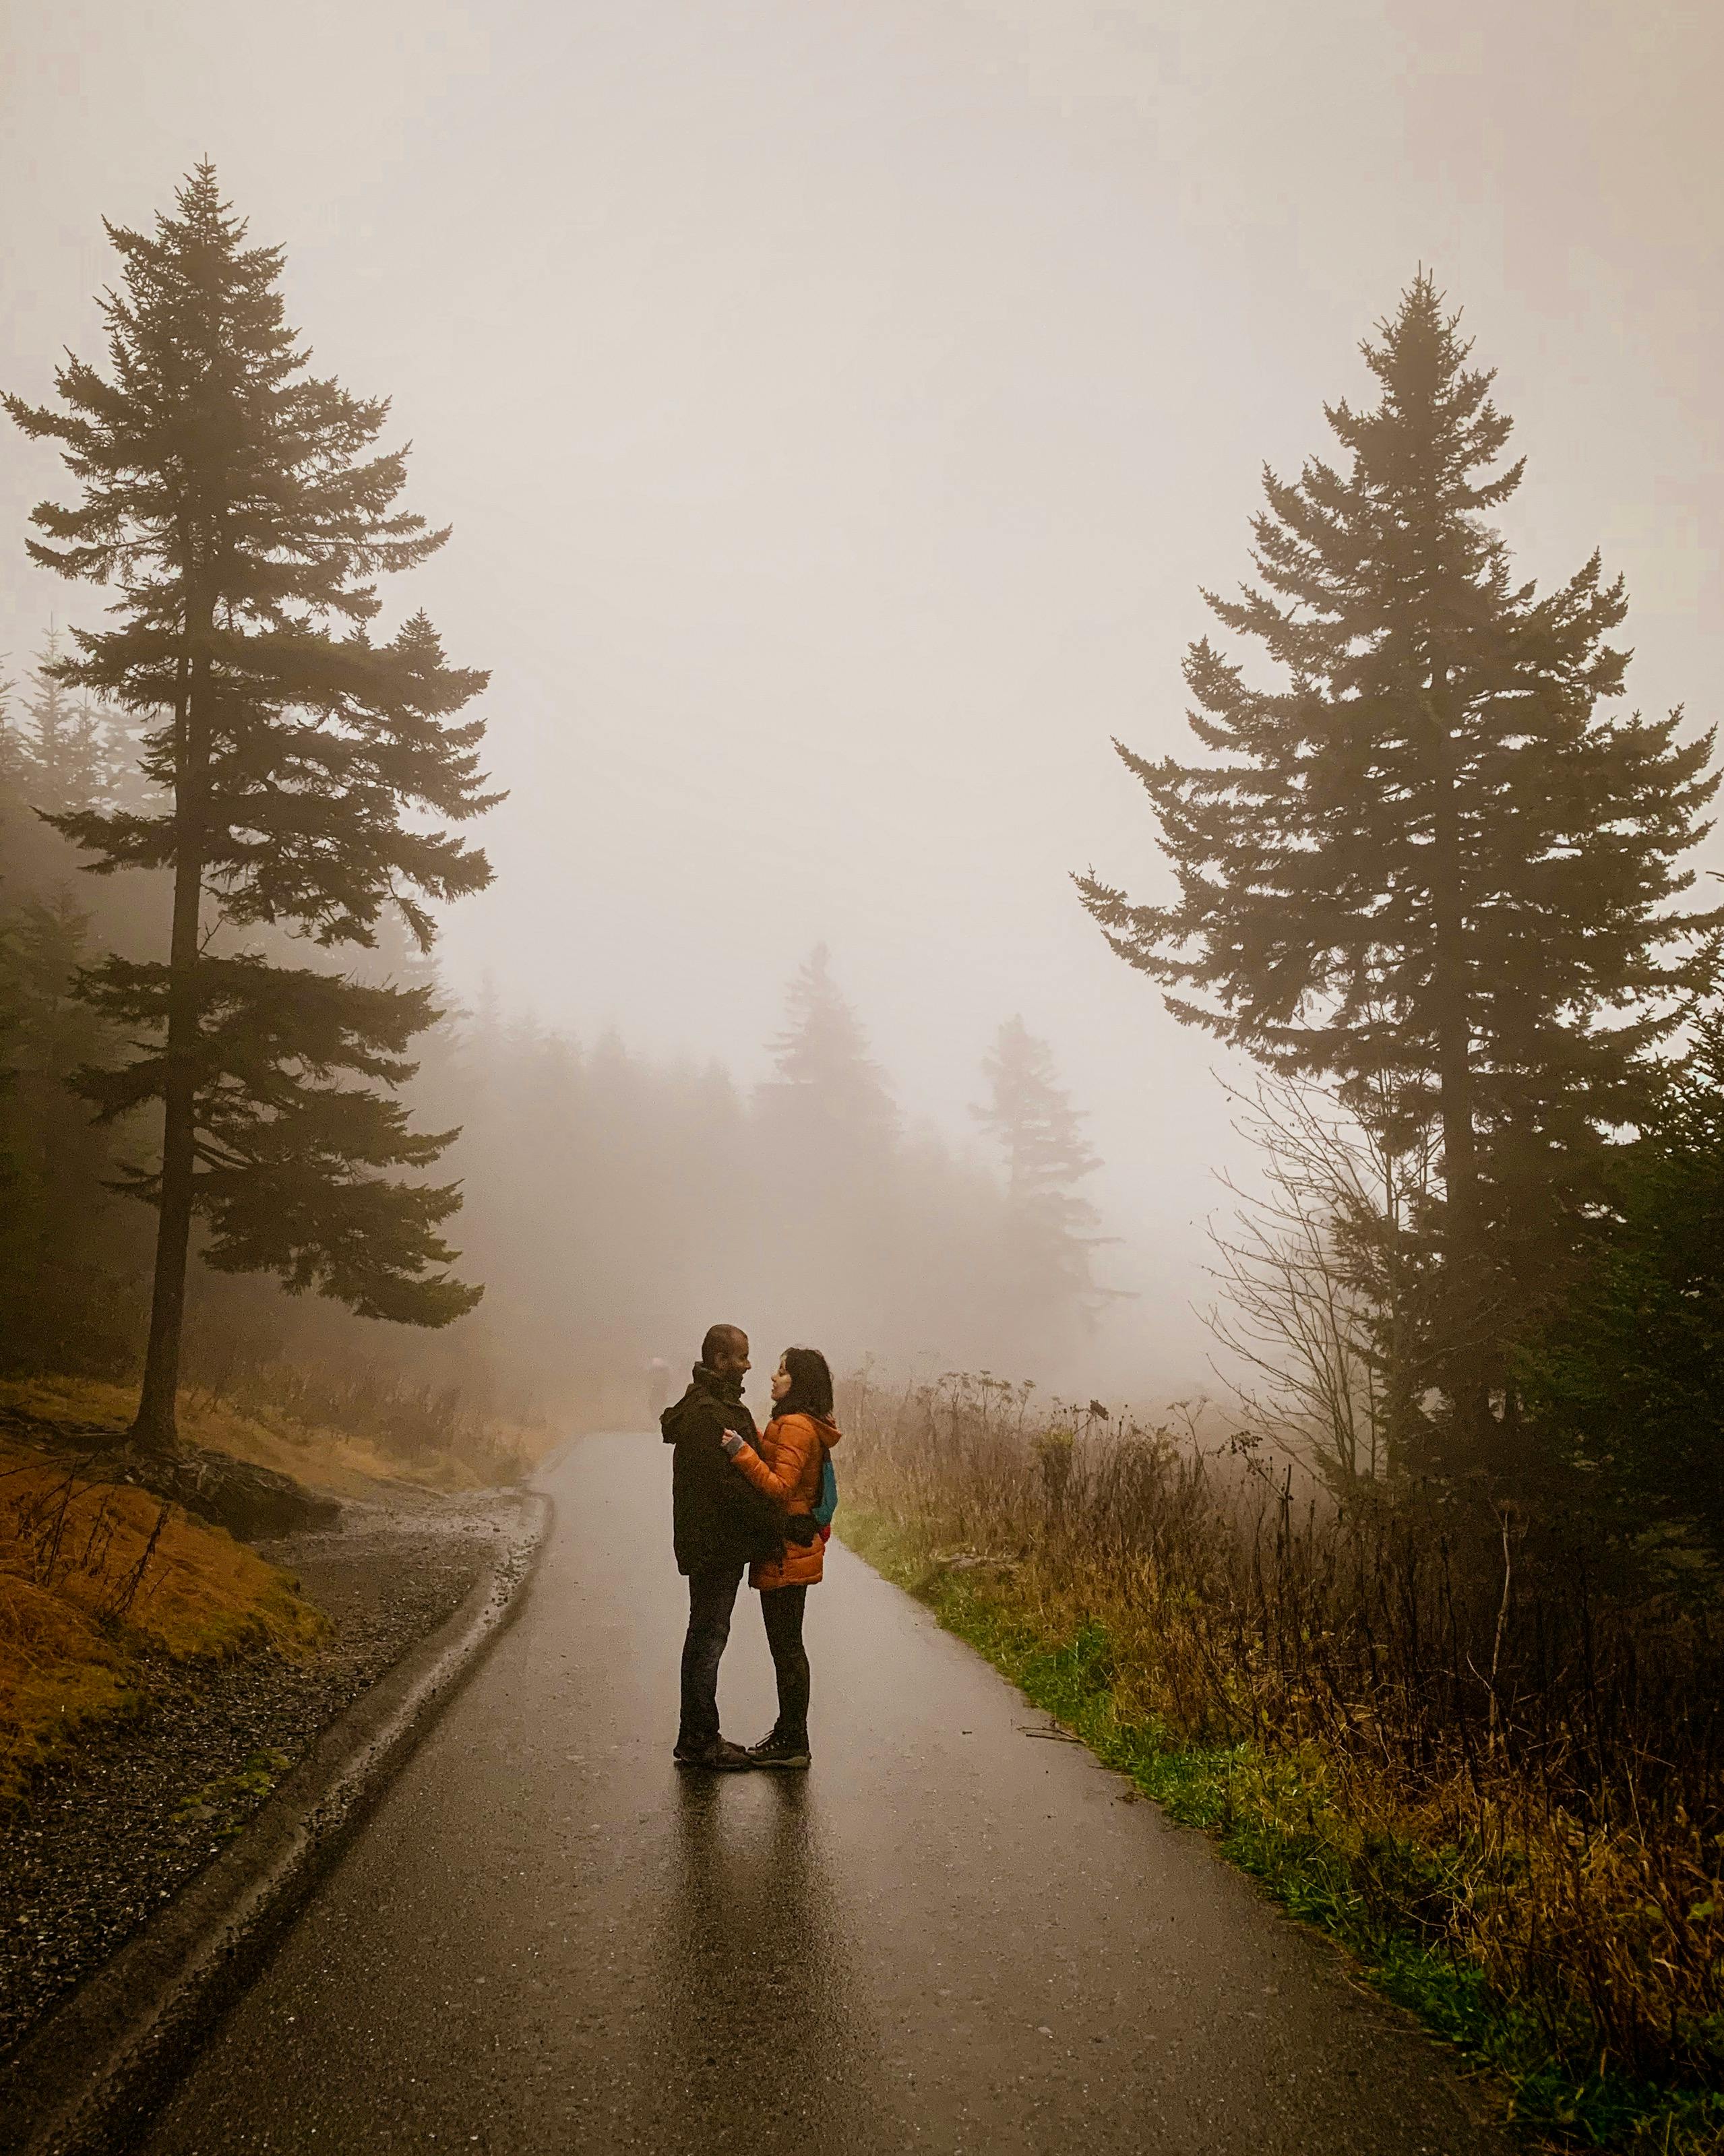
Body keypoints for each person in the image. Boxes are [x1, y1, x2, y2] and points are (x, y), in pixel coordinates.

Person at [660, 1324, 782, 1770]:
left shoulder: (708, 1405)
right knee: (707, 1638)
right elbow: (729, 1489)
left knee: (706, 1634)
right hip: (715, 1546)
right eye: (741, 1356)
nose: (748, 1365)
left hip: (712, 1543)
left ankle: (697, 1736)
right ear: (718, 1359)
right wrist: (776, 1520)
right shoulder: (710, 1414)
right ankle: (698, 1741)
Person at [720, 1345, 841, 1770]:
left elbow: (779, 1487)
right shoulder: (800, 1423)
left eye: (783, 1372)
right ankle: (790, 1735)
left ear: (799, 1383)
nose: (774, 1377)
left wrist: (740, 1452)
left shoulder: (794, 1426)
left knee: (787, 1647)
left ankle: (793, 1741)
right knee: (788, 1646)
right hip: (794, 1547)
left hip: (788, 1551)